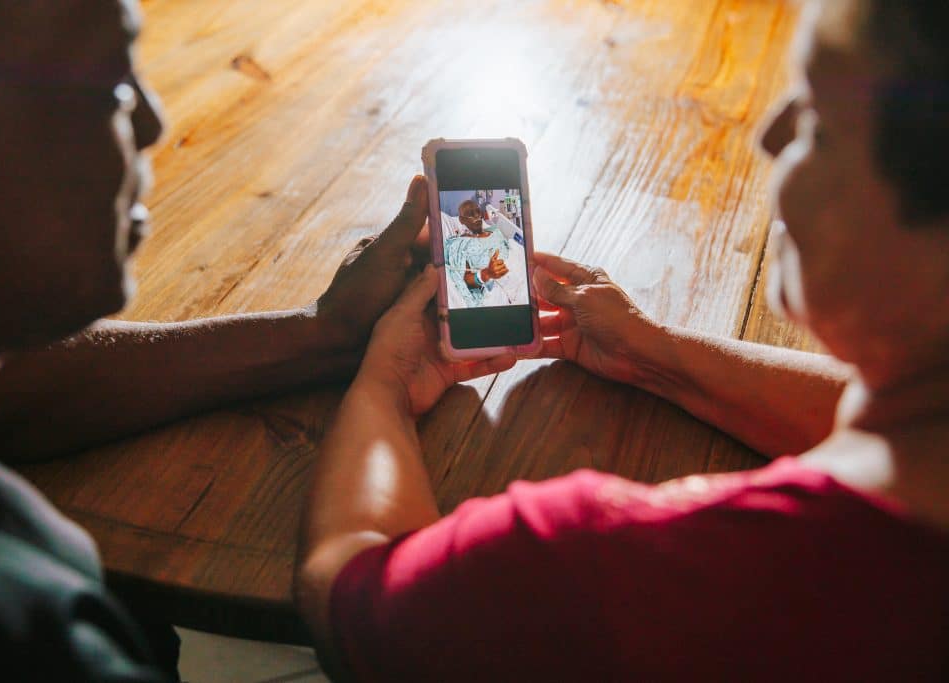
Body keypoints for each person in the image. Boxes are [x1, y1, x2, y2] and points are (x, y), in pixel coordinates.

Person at [295, 1, 949, 680]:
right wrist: (656, 356)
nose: (771, 133)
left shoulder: (604, 568)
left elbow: (349, 586)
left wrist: (388, 381)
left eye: (817, 116)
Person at [0, 1, 430, 679]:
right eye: (110, 87)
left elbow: (9, 390)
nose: (151, 122)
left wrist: (325, 333)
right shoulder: (28, 648)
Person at [442, 199, 527, 308]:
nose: (477, 216)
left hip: (520, 267)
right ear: (461, 220)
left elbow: (511, 249)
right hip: (506, 283)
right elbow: (466, 279)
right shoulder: (461, 244)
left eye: (478, 211)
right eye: (470, 214)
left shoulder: (494, 230)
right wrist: (485, 274)